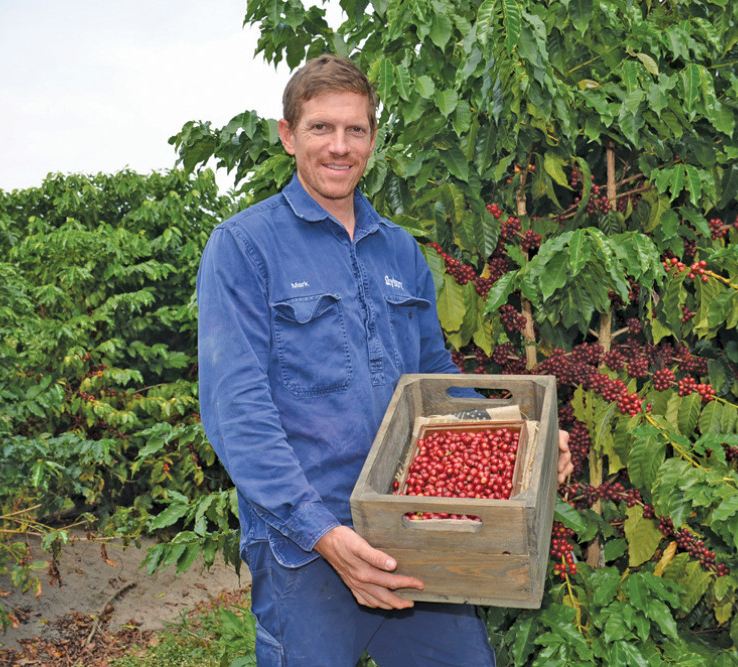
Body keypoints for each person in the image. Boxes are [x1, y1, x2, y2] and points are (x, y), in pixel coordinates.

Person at [196, 54, 573, 666]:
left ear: (373, 137)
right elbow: (237, 412)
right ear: (289, 135)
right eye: (321, 128)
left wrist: (519, 439)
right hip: (307, 543)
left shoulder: (399, 249)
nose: (339, 147)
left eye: (356, 130)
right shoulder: (244, 247)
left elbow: (435, 380)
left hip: (415, 526)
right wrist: (323, 533)